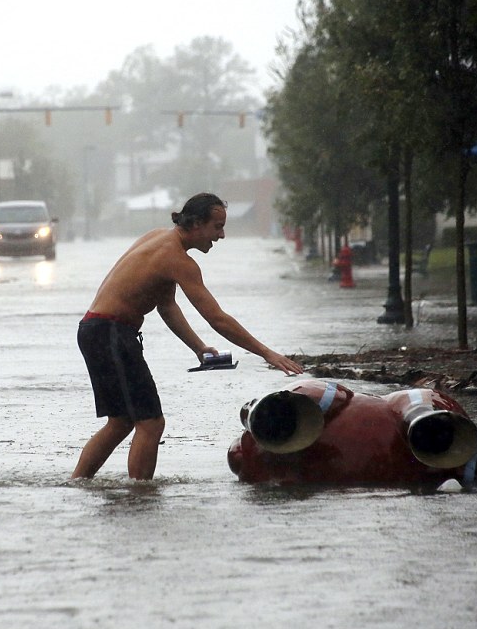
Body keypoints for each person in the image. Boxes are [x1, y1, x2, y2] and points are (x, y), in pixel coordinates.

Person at [72, 192, 304, 481]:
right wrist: (268, 353)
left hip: (95, 330)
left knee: (121, 422)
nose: (221, 236)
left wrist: (199, 348)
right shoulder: (178, 260)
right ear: (195, 224)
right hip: (111, 334)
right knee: (151, 423)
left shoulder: (158, 238)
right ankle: (140, 497)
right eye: (217, 227)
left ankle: (77, 483)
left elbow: (166, 305)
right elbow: (217, 319)